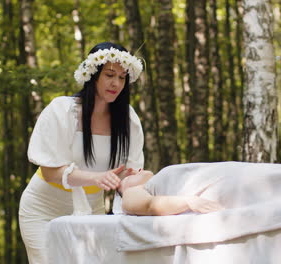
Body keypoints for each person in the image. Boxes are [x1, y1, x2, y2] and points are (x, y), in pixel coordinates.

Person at [19, 42, 145, 264]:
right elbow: (49, 172)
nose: (116, 83)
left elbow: (127, 173)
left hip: (90, 210)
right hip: (43, 209)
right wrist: (96, 178)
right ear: (93, 75)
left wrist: (136, 180)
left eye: (122, 77)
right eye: (109, 75)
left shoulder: (128, 119)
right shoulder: (62, 110)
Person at [118, 169, 224, 216]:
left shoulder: (156, 181)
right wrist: (188, 201)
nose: (135, 170)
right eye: (128, 177)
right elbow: (149, 205)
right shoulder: (130, 193)